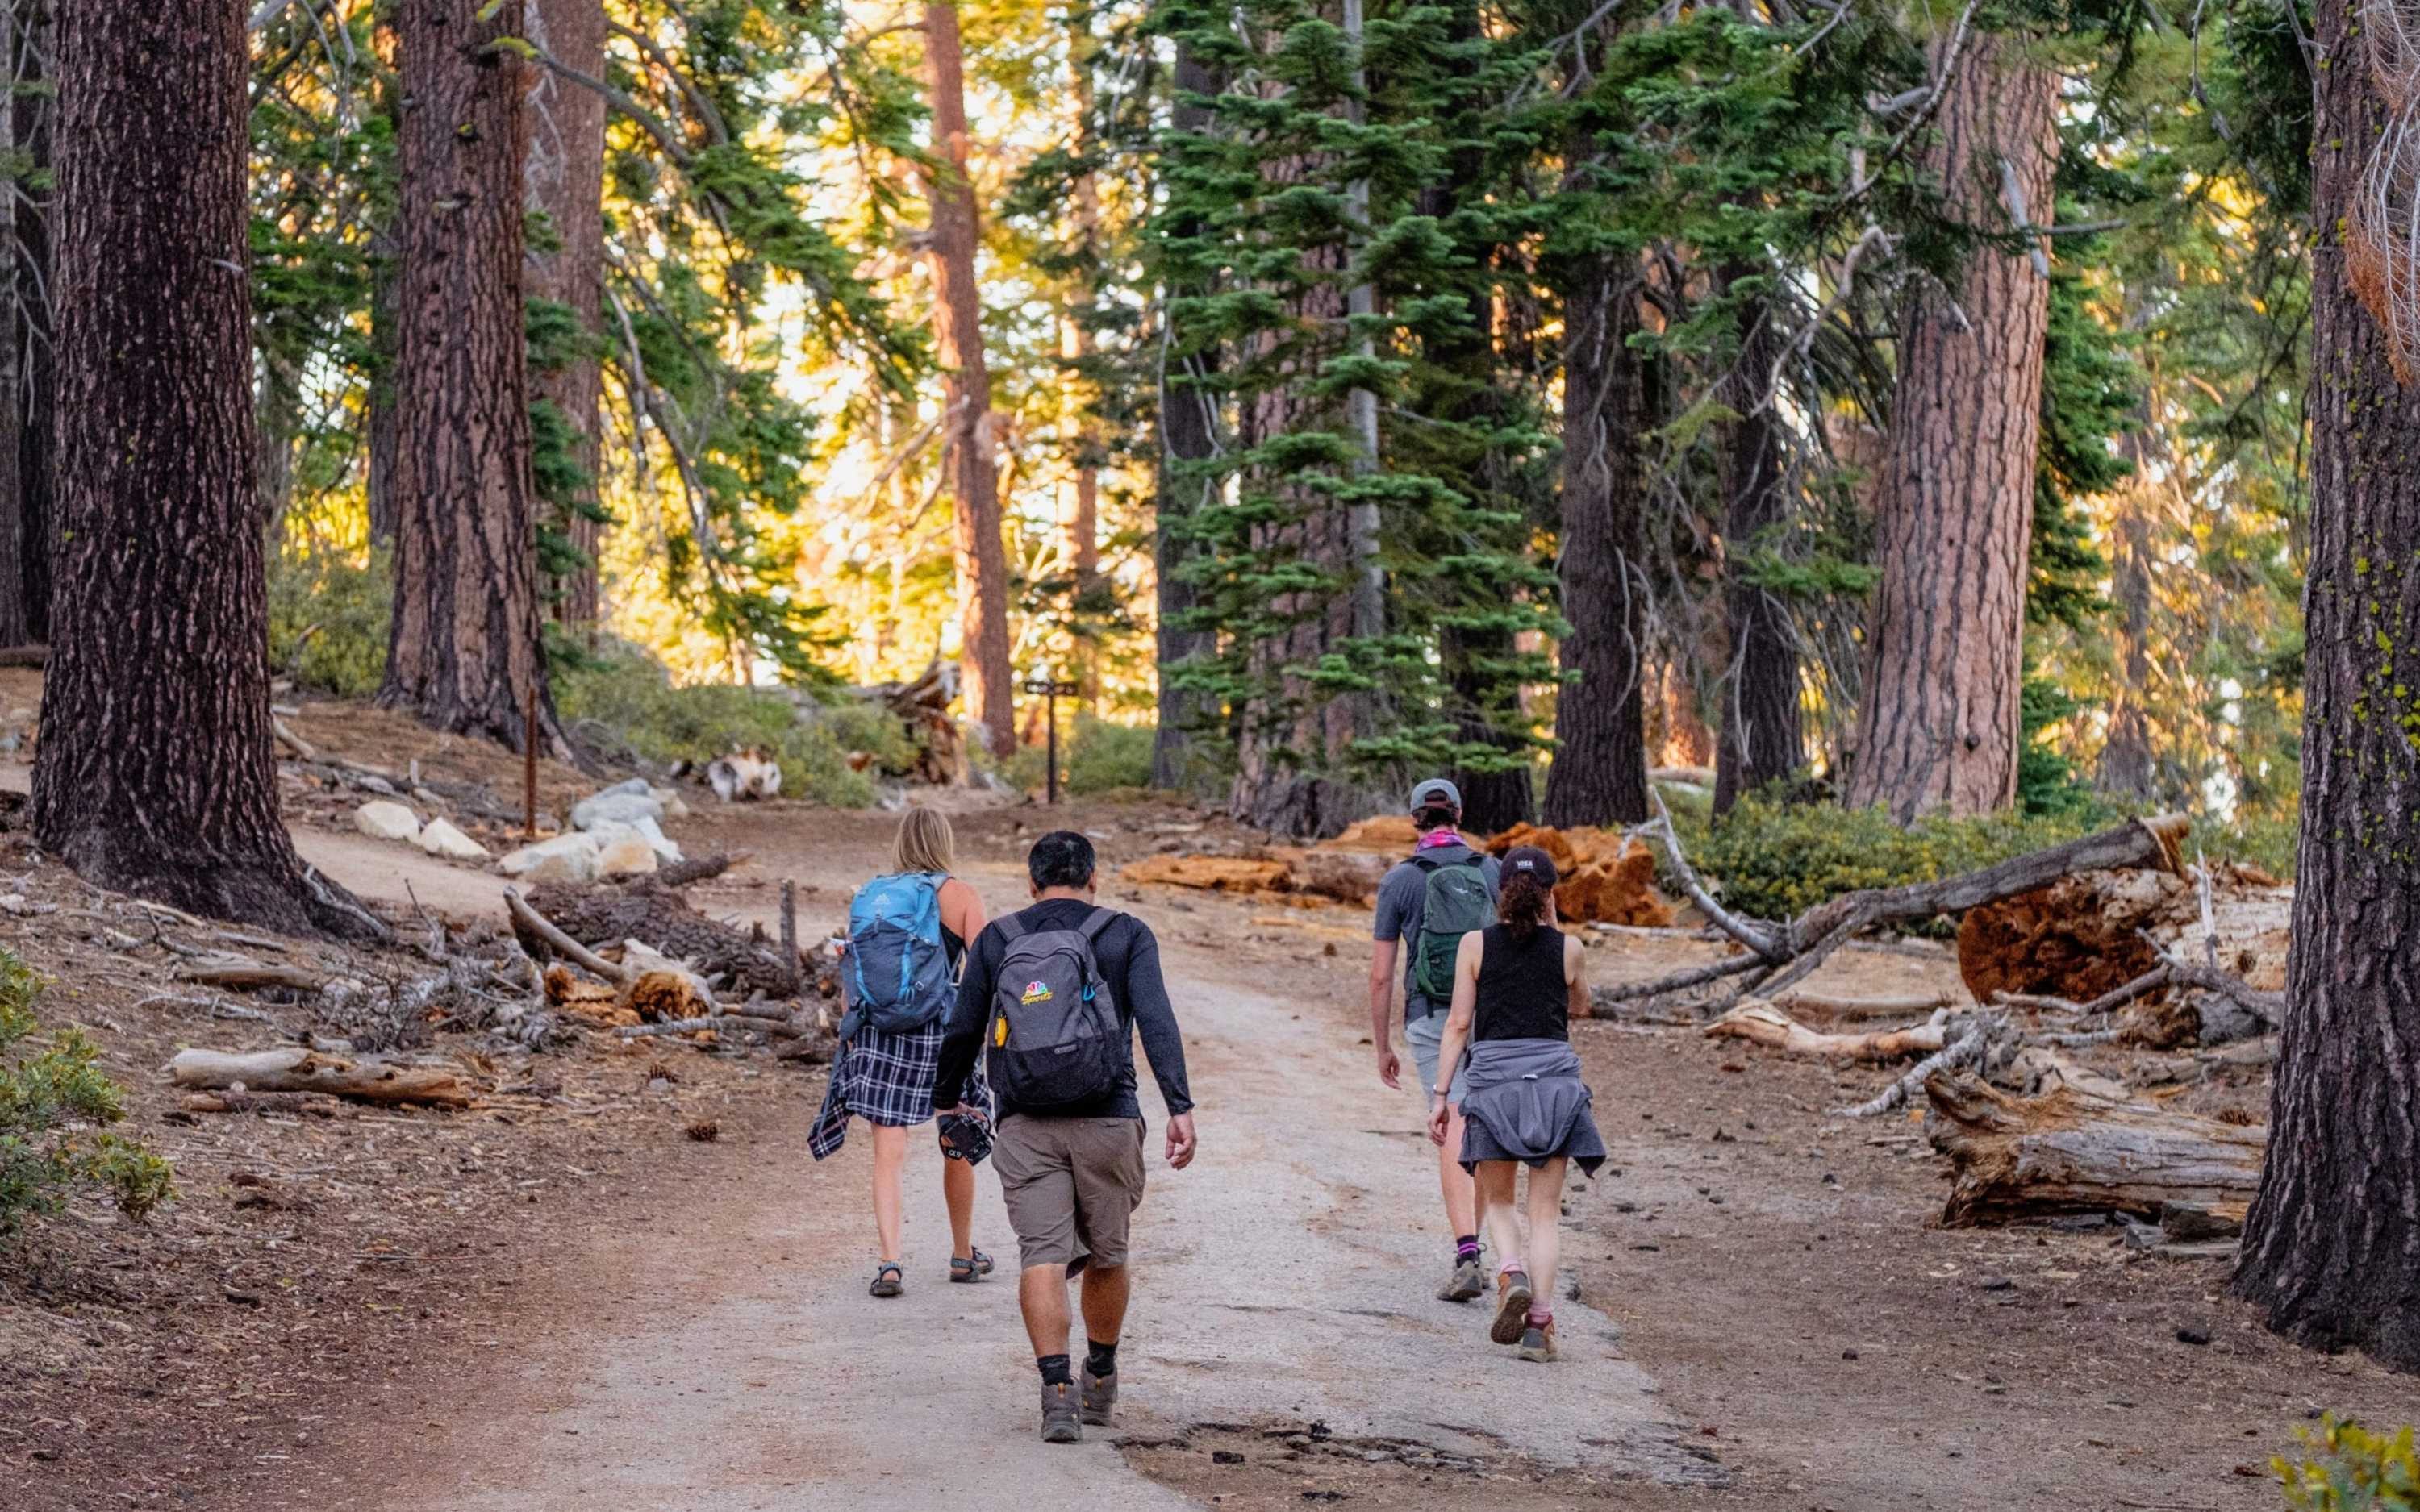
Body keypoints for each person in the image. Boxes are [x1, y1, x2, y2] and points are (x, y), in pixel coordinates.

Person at [933, 830, 1197, 1445]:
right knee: (1108, 1252)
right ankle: (1099, 1373)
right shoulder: (1126, 933)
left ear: (1031, 883)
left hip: (1025, 1123)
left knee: (1042, 1256)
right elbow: (1157, 1019)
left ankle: (1056, 1392)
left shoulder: (999, 937)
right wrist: (1180, 1105)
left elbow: (963, 1026)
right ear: (1094, 878)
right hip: (1109, 1117)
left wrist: (947, 1102)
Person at [1425, 845, 1605, 1364]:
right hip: (1553, 1085)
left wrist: (1442, 1096)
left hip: (1494, 1085)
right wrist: (1557, 930)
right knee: (1545, 1213)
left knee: (1500, 1202)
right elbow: (1580, 1005)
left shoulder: (1474, 946)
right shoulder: (1569, 949)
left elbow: (1459, 1024)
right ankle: (1540, 1328)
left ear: (1499, 892)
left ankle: (1511, 1270)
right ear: (1550, 895)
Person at [809, 808, 996, 1297]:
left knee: (887, 1154)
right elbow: (984, 973)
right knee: (956, 1136)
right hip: (941, 1031)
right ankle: (961, 1253)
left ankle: (890, 1263)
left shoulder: (872, 898)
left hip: (880, 1035)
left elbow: (854, 982)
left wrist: (851, 1032)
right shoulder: (959, 895)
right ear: (944, 841)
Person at [1369, 777, 1501, 1302]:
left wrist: (1382, 1044)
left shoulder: (1400, 880)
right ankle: (1481, 1246)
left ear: (1415, 819)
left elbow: (1381, 975)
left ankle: (1468, 1249)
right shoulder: (1491, 870)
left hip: (1429, 1016)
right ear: (1459, 815)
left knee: (1453, 1124)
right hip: (1490, 1016)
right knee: (1481, 1125)